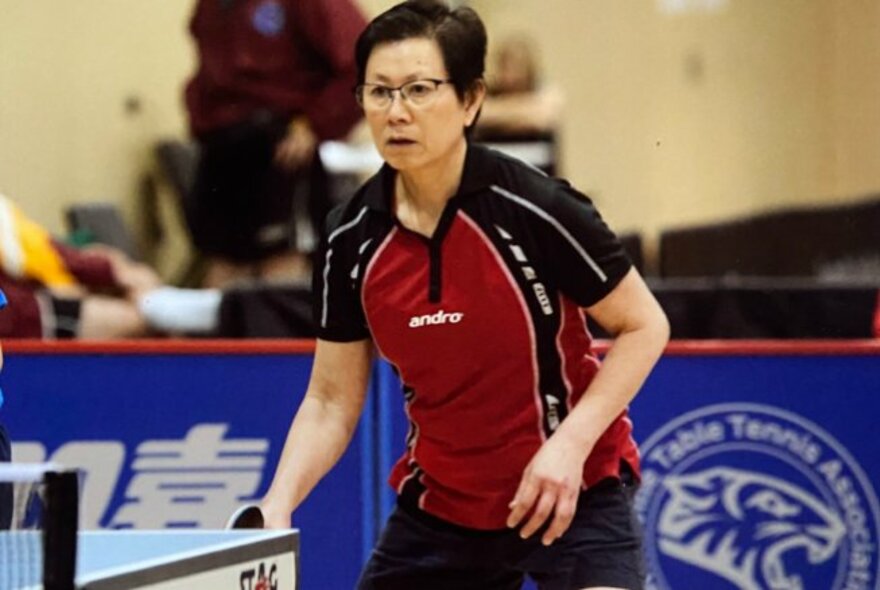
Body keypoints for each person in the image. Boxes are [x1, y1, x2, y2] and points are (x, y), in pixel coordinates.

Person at [260, 2, 669, 589]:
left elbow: (643, 326)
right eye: (378, 93)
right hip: (445, 513)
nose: (396, 112)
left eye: (419, 90)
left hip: (572, 491)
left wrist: (568, 448)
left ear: (471, 100)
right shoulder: (350, 238)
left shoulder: (536, 208)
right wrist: (279, 503)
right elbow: (329, 400)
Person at [184, 0, 368, 288]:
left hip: (281, 145)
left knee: (280, 268)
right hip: (222, 146)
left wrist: (314, 124)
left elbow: (360, 63)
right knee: (222, 267)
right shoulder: (209, 6)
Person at [0, 194, 160, 339]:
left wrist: (106, 267)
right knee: (139, 318)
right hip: (31, 316)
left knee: (144, 298)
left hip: (36, 300)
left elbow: (40, 250)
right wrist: (113, 271)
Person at [475, 34, 565, 175]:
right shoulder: (487, 94)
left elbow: (545, 116)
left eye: (516, 67)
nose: (511, 75)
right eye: (506, 67)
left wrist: (499, 118)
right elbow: (478, 114)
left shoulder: (544, 92)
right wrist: (519, 114)